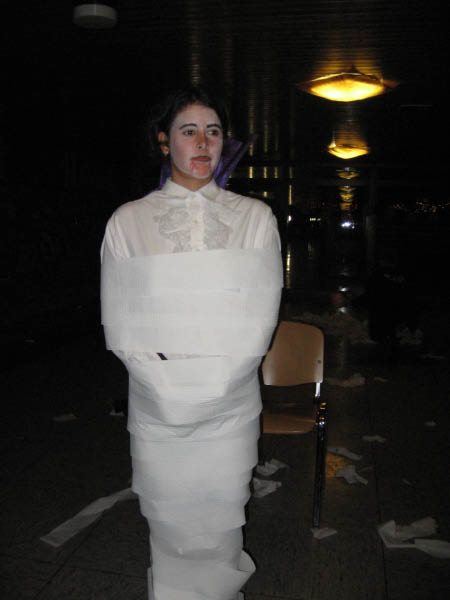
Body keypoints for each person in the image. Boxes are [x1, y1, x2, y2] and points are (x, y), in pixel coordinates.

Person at [100, 86, 283, 600]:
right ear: (164, 142)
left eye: (214, 131)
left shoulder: (254, 219)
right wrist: (166, 385)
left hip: (231, 403)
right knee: (170, 521)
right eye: (189, 131)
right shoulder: (128, 222)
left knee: (221, 519)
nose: (203, 143)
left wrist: (218, 385)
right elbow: (120, 321)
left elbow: (260, 317)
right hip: (157, 402)